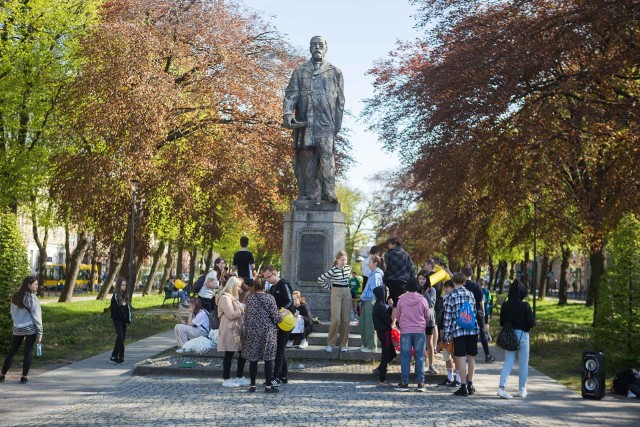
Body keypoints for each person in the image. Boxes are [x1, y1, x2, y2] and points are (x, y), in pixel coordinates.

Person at [283, 35, 345, 202]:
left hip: (326, 124)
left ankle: (329, 193)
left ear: (326, 48)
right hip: (306, 122)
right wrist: (288, 113)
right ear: (310, 48)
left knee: (327, 158)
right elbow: (291, 94)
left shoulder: (335, 72)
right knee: (307, 158)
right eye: (314, 45)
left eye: (320, 45)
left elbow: (340, 102)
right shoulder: (300, 71)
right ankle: (310, 194)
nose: (317, 47)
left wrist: (335, 127)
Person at [241, 278, 288, 393]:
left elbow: (246, 316)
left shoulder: (250, 299)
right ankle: (268, 386)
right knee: (268, 359)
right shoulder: (270, 298)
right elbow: (276, 318)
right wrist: (284, 313)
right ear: (264, 286)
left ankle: (252, 385)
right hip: (267, 332)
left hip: (252, 331)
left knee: (253, 358)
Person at [443, 272, 481, 397]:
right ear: (464, 282)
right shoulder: (470, 294)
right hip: (472, 329)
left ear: (453, 283)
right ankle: (470, 384)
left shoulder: (450, 296)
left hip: (458, 330)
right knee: (471, 357)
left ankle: (463, 386)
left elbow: (447, 317)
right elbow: (474, 311)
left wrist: (447, 336)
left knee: (461, 357)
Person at [498, 279, 536, 399]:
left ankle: (502, 387)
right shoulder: (525, 306)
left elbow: (502, 322)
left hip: (509, 335)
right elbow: (531, 323)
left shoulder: (505, 305)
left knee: (508, 361)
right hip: (523, 335)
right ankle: (522, 389)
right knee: (523, 363)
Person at [1, 276, 43, 383]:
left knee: (12, 352)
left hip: (17, 328)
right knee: (28, 352)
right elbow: (37, 316)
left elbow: (12, 313)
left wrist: (18, 324)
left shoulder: (15, 296)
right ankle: (24, 377)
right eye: (35, 284)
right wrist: (40, 332)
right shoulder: (32, 298)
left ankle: (2, 375)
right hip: (30, 329)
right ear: (28, 285)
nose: (37, 286)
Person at [394, 277, 431, 392]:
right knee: (420, 357)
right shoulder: (423, 300)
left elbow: (398, 315)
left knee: (405, 356)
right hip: (419, 331)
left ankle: (404, 382)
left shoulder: (401, 300)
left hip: (405, 330)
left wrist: (402, 323)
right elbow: (427, 316)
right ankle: (421, 383)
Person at [262, 265, 294, 385]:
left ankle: (276, 377)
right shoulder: (272, 287)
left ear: (274, 274)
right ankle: (283, 376)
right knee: (279, 350)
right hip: (277, 321)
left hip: (285, 321)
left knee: (280, 349)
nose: (267, 280)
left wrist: (284, 309)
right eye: (265, 278)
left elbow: (290, 301)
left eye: (268, 277)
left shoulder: (284, 285)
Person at [216, 276, 249, 388]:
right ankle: (226, 379)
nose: (240, 289)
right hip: (229, 328)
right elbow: (231, 314)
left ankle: (239, 377)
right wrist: (242, 308)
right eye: (238, 286)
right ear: (233, 286)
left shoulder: (231, 297)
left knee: (242, 353)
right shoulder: (225, 298)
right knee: (229, 354)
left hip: (235, 328)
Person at [317, 250, 352, 352]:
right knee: (336, 319)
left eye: (345, 260)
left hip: (347, 292)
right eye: (342, 260)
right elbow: (320, 279)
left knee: (346, 319)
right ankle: (330, 343)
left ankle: (343, 344)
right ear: (337, 260)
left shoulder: (348, 268)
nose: (344, 262)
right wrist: (329, 288)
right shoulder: (333, 271)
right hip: (336, 292)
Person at [463, 266, 496, 363]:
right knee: (482, 334)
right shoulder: (476, 285)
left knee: (467, 333)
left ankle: (467, 355)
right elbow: (481, 300)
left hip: (467, 313)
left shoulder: (463, 286)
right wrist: (483, 312)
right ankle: (487, 354)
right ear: (472, 274)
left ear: (463, 275)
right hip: (478, 312)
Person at [383, 237, 414, 328]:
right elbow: (412, 269)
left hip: (389, 282)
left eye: (389, 244)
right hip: (403, 284)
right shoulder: (406, 255)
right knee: (399, 306)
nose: (388, 246)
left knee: (388, 305)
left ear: (393, 244)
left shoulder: (388, 255)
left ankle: (389, 327)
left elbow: (384, 268)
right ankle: (397, 327)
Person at [436, 280, 461, 388]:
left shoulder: (455, 299)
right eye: (445, 287)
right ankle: (450, 377)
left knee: (455, 355)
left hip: (453, 331)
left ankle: (458, 378)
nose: (446, 289)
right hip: (444, 331)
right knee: (446, 355)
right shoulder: (444, 299)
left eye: (448, 287)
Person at [372, 286, 396, 387]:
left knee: (392, 353)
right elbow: (389, 320)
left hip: (383, 332)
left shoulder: (378, 305)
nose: (387, 293)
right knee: (386, 354)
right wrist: (391, 308)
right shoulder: (381, 306)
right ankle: (382, 379)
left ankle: (380, 368)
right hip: (384, 332)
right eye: (386, 291)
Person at [359, 254, 384, 352]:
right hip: (367, 300)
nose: (367, 264)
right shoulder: (372, 274)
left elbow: (376, 290)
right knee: (362, 323)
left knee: (369, 323)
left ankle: (371, 346)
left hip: (371, 301)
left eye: (369, 262)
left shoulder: (376, 275)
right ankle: (366, 344)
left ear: (375, 263)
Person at [418, 270, 438, 375]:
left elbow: (431, 303)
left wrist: (424, 293)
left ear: (427, 280)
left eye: (423, 279)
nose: (421, 281)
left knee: (429, 342)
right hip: (418, 319)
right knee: (420, 343)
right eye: (420, 279)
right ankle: (421, 365)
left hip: (429, 319)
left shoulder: (432, 290)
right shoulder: (416, 289)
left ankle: (431, 365)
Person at [110, 277, 131, 365]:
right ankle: (116, 356)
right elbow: (116, 309)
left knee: (122, 338)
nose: (124, 287)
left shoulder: (125, 296)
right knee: (120, 336)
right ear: (119, 285)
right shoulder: (115, 295)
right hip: (117, 320)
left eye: (125, 285)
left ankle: (118, 356)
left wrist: (128, 319)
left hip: (124, 321)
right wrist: (123, 317)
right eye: (122, 285)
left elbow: (127, 309)